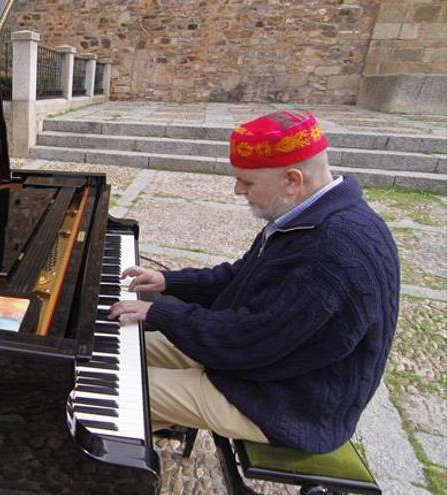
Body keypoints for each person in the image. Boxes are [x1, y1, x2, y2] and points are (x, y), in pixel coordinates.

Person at [109, 110, 399, 454]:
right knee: (116, 340)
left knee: (113, 387)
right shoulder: (307, 215)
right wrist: (168, 282)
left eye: (246, 182)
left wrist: (161, 315)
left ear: (292, 180)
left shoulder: (334, 247)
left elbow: (251, 339)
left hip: (286, 400)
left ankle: (109, 460)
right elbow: (240, 277)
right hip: (256, 363)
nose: (236, 190)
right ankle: (122, 446)